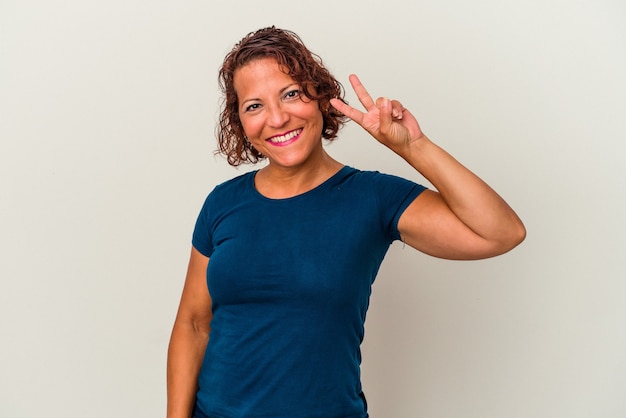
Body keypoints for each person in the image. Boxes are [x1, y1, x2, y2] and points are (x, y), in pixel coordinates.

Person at [167, 26, 526, 418]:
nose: (277, 117)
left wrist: (412, 146)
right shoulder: (223, 202)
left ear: (321, 97)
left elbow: (501, 232)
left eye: (291, 94)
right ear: (239, 121)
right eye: (254, 106)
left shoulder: (372, 198)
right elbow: (194, 324)